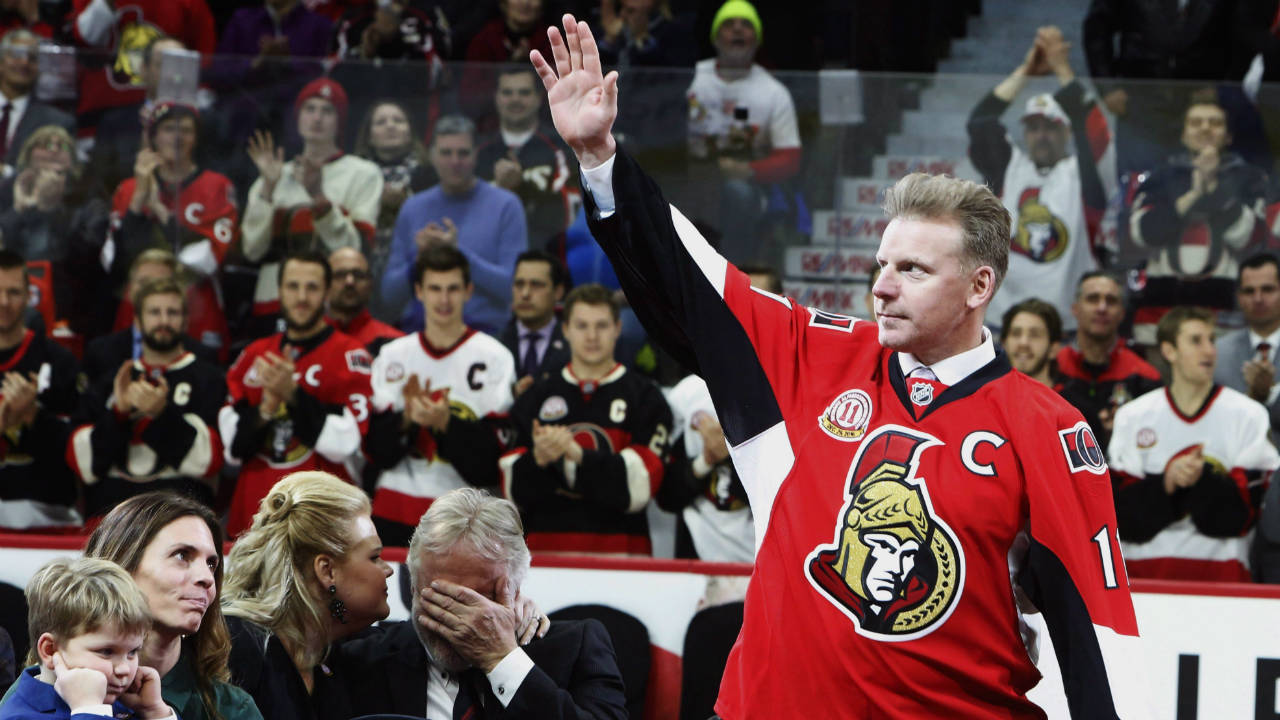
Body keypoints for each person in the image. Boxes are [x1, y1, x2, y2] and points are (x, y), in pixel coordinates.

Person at [530, 15, 1145, 716]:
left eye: (913, 270)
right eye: (882, 264)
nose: (882, 286)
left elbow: (1099, 637)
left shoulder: (1047, 430)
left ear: (980, 287)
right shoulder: (810, 355)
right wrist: (602, 158)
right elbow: (692, 281)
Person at [340, 487, 623, 719]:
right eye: (440, 598)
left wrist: (503, 660)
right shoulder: (362, 658)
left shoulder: (576, 646)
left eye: (479, 599)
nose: (461, 620)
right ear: (412, 585)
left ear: (515, 588)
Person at [1108, 306, 1278, 582]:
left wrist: (1203, 480)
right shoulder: (1133, 416)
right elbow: (1122, 520)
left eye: (1211, 340)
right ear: (1169, 351)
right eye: (1196, 341)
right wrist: (1167, 482)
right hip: (1143, 579)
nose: (1209, 350)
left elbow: (1242, 519)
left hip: (1224, 580)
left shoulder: (1248, 415)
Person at [501, 283, 670, 555]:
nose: (592, 336)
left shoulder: (646, 398)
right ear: (565, 329)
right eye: (582, 326)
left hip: (625, 564)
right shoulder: (536, 396)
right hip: (544, 561)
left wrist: (576, 456)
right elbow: (511, 492)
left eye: (601, 326)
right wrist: (538, 460)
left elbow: (638, 487)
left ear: (617, 328)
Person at [366, 245, 516, 546]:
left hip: (468, 519)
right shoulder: (393, 355)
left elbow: (491, 462)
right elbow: (374, 452)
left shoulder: (495, 357)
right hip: (395, 510)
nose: (444, 299)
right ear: (419, 291)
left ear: (468, 291)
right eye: (435, 288)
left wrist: (447, 424)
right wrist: (406, 419)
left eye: (452, 289)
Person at [218, 250, 374, 538]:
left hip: (323, 523)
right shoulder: (253, 355)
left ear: (327, 291)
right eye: (293, 286)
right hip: (253, 522)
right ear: (279, 291)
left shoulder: (350, 356)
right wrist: (266, 406)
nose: (302, 297)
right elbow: (234, 451)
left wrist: (292, 394)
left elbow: (344, 444)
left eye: (312, 287)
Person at [967, 26, 1113, 331]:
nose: (1041, 136)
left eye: (1050, 127)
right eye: (1033, 128)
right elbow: (980, 122)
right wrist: (1026, 71)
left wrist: (1062, 68)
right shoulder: (1011, 167)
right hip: (1002, 323)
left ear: (1066, 132)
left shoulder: (1080, 173)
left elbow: (1096, 132)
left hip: (1065, 326)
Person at [79, 492, 265, 720]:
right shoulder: (47, 688)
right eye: (182, 556)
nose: (206, 577)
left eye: (211, 564)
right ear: (122, 565)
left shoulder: (233, 710)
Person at [222, 471, 391, 720]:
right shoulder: (235, 646)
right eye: (374, 556)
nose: (387, 569)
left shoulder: (335, 654)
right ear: (327, 571)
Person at [68, 278, 227, 518]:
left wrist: (162, 414)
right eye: (154, 312)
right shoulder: (111, 380)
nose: (163, 321)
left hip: (181, 519)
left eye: (172, 312)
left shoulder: (209, 379)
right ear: (138, 323)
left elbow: (209, 462)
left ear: (185, 321)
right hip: (111, 522)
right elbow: (83, 463)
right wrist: (119, 413)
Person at [241, 77, 383, 335]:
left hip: (333, 305)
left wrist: (318, 197)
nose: (317, 118)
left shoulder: (363, 173)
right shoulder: (273, 175)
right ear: (297, 118)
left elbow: (357, 248)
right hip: (272, 302)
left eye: (327, 111)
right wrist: (268, 189)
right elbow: (251, 250)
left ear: (339, 120)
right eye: (310, 109)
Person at [1128, 97, 1268, 343]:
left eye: (1214, 123)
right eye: (1196, 122)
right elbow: (1143, 234)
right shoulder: (1158, 180)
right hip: (1158, 323)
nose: (1205, 128)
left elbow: (1250, 239)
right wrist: (1194, 194)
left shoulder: (1251, 180)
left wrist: (1213, 186)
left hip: (1225, 325)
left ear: (1228, 136)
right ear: (1182, 135)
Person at [106, 101, 238, 360]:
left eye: (186, 130)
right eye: (168, 129)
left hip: (197, 309)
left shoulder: (217, 187)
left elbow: (206, 260)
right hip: (134, 311)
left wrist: (161, 211)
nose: (177, 137)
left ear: (197, 137)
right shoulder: (128, 189)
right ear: (153, 137)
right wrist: (137, 203)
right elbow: (114, 263)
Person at [382, 114, 528, 335]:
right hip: (420, 333)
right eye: (446, 153)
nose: (455, 162)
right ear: (431, 156)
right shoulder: (412, 208)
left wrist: (457, 253)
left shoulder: (506, 205)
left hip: (486, 334)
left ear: (476, 155)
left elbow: (515, 289)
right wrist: (418, 258)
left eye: (463, 153)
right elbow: (389, 295)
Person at [685, 0, 800, 264]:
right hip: (690, 181)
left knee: (738, 193)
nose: (737, 30)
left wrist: (748, 170)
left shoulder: (774, 92)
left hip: (747, 190)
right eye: (729, 25)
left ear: (757, 38)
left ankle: (732, 271)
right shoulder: (691, 78)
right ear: (715, 36)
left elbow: (790, 159)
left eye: (746, 25)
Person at [1, 557, 175, 720]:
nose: (125, 669)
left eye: (132, 652)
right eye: (106, 652)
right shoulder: (17, 716)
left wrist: (156, 712)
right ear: (50, 650)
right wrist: (90, 711)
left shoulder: (125, 704)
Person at [0, 125, 110, 339]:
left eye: (61, 146)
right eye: (43, 144)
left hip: (71, 306)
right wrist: (21, 211)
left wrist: (51, 210)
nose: (52, 150)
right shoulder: (7, 191)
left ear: (72, 161)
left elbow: (86, 257)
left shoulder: (90, 193)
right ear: (27, 155)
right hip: (11, 298)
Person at [0, 249, 81, 532]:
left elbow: (79, 453)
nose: (4, 302)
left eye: (13, 292)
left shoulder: (59, 361)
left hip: (47, 517)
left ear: (29, 295)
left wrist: (33, 416)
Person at [1055, 270, 1160, 452]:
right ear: (1075, 309)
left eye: (1111, 301)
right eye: (1093, 299)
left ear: (1121, 313)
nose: (1102, 308)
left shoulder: (1145, 376)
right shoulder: (1053, 368)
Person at [84, 249, 218, 386]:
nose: (150, 289)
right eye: (143, 282)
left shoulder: (202, 358)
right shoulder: (100, 353)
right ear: (129, 289)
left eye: (160, 283)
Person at [351, 99, 436, 316]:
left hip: (410, 268)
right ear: (369, 135)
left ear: (410, 131)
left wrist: (406, 201)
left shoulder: (429, 173)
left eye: (398, 120)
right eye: (381, 122)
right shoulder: (354, 174)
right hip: (364, 266)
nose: (390, 125)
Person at [476, 67, 575, 251]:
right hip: (488, 254)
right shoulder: (478, 152)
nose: (515, 99)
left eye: (524, 93)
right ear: (496, 98)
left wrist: (520, 187)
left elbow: (567, 211)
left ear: (539, 98)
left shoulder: (560, 148)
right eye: (507, 93)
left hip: (545, 255)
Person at [1214, 253, 1280, 433]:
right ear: (1239, 298)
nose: (1258, 299)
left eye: (1267, 289)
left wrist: (1267, 395)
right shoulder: (1217, 353)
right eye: (1249, 291)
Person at [0, 29, 73, 178]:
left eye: (33, 58)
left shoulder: (56, 122)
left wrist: (6, 173)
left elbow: (58, 177)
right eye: (16, 54)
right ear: (1, 62)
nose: (24, 62)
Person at [498, 249, 571, 396]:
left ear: (558, 292)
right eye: (519, 284)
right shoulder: (495, 344)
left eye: (536, 285)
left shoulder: (574, 345)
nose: (525, 294)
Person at [324, 247, 401, 356]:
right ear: (324, 285)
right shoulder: (304, 340)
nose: (349, 282)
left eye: (358, 275)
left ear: (370, 284)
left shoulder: (395, 343)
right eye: (340, 275)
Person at [593, 0, 695, 69]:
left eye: (631, 10)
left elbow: (670, 77)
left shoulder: (675, 30)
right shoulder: (613, 24)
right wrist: (609, 39)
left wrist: (642, 39)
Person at [999, 298, 1062, 388]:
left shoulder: (1074, 400)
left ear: (1053, 349)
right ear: (1004, 344)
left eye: (1035, 335)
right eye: (1016, 333)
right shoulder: (986, 396)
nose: (1023, 343)